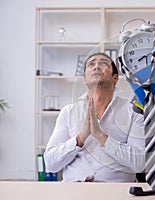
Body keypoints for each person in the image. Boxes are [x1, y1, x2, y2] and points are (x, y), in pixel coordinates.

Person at [44, 52, 145, 182]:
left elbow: (140, 163)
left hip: (117, 192)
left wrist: (101, 137)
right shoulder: (68, 112)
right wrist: (80, 138)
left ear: (115, 78)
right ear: (85, 79)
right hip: (75, 191)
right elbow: (51, 164)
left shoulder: (133, 112)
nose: (96, 66)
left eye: (103, 63)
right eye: (91, 64)